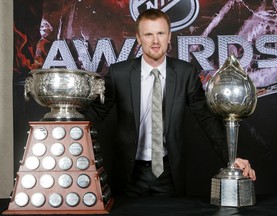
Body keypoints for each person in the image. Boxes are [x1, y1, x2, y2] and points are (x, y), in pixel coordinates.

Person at [81, 8, 256, 197]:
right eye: (148, 34)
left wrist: (231, 158)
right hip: (129, 173)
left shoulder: (185, 73)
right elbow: (96, 113)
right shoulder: (119, 74)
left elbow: (206, 118)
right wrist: (62, 126)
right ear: (139, 38)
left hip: (169, 173)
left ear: (169, 36)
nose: (155, 41)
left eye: (160, 33)